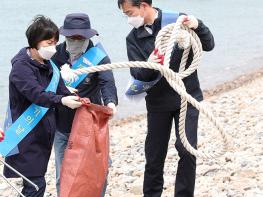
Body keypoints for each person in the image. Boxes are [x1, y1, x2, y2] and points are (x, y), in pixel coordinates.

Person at [117, 0, 215, 196]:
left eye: (130, 13)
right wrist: (149, 64)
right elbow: (137, 74)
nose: (128, 18)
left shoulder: (178, 21)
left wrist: (198, 25)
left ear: (143, 5)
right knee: (154, 155)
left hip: (187, 97)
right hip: (157, 103)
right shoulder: (133, 38)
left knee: (187, 150)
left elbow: (208, 45)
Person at [3, 15, 82, 196]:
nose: (53, 48)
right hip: (26, 135)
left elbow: (61, 89)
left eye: (55, 42)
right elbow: (37, 95)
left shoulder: (50, 65)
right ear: (35, 42)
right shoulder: (21, 68)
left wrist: (77, 99)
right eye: (48, 43)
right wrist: (61, 100)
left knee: (35, 181)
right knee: (35, 184)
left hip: (44, 133)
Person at [52, 13, 118, 196]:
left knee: (96, 173)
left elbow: (107, 83)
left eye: (80, 38)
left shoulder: (98, 57)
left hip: (90, 126)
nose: (75, 41)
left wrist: (111, 104)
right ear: (64, 36)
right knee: (64, 175)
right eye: (71, 38)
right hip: (63, 125)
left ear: (88, 36)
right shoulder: (55, 55)